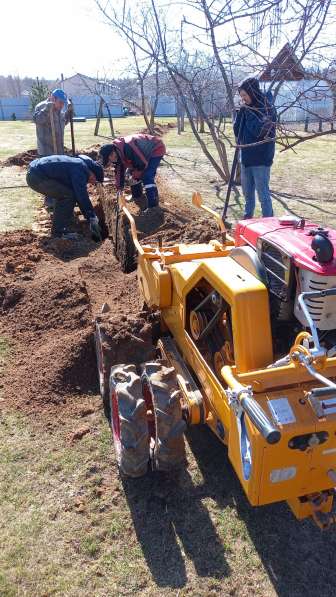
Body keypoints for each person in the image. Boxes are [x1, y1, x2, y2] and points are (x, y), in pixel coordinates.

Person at [26, 155, 103, 240]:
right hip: (37, 177)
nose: (92, 182)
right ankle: (59, 232)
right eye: (94, 179)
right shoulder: (80, 170)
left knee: (66, 193)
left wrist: (89, 215)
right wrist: (91, 216)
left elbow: (79, 194)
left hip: (35, 171)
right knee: (68, 196)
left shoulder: (79, 165)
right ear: (92, 173)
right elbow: (81, 195)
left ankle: (63, 224)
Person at [234, 77, 277, 219]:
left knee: (263, 195)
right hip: (246, 157)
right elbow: (237, 131)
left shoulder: (267, 108)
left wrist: (248, 112)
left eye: (245, 95)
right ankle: (247, 220)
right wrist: (240, 114)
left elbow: (259, 131)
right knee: (247, 194)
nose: (243, 99)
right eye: (241, 96)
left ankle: (268, 223)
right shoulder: (246, 108)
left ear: (252, 92)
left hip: (261, 159)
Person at [99, 134, 166, 209]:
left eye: (109, 161)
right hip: (141, 156)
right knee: (129, 174)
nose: (110, 163)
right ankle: (137, 196)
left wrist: (136, 176)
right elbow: (119, 171)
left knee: (147, 176)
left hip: (156, 148)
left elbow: (142, 164)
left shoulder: (128, 147)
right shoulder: (118, 152)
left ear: (111, 154)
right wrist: (119, 188)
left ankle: (153, 206)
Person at [33, 88, 70, 156]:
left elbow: (62, 124)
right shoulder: (41, 106)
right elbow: (37, 120)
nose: (62, 105)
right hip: (46, 153)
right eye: (60, 102)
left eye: (63, 103)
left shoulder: (59, 110)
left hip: (59, 151)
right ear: (53, 99)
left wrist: (68, 115)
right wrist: (46, 110)